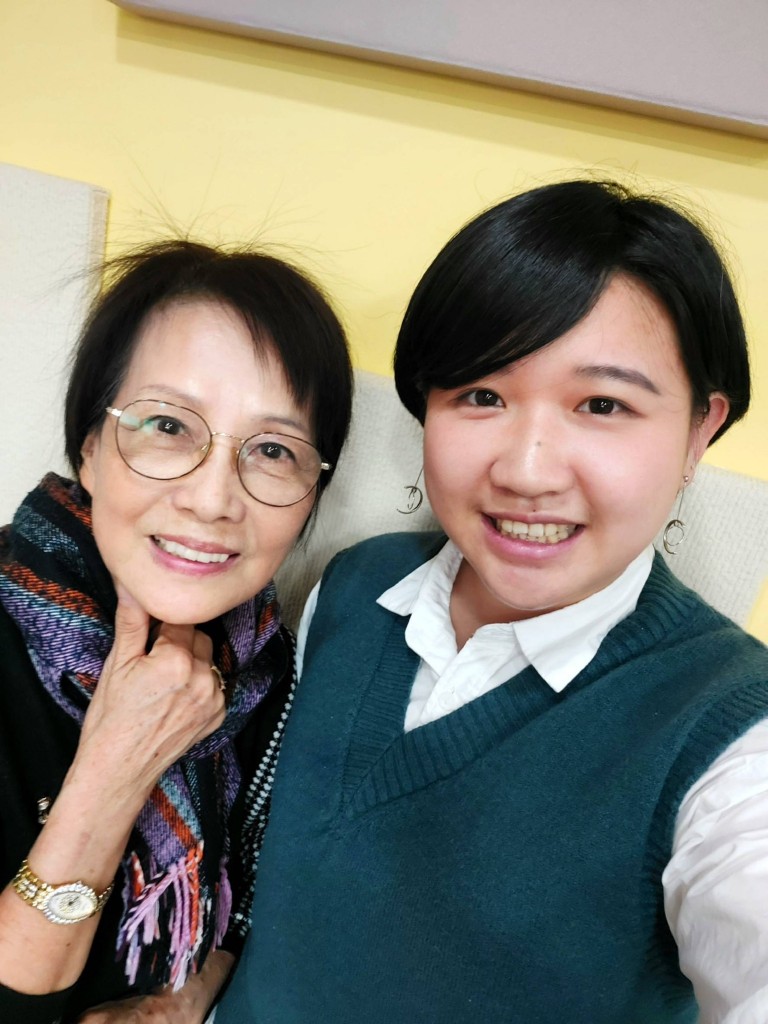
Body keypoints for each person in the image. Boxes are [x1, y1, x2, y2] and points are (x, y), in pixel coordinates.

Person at [219, 180, 768, 1024]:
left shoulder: (728, 735)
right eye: (481, 395)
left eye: (603, 404)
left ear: (700, 430)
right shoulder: (355, 586)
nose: (526, 470)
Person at [0, 239, 353, 1023]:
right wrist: (117, 765)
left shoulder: (270, 667)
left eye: (272, 450)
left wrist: (184, 997)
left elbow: (256, 907)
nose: (212, 498)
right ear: (91, 448)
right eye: (167, 425)